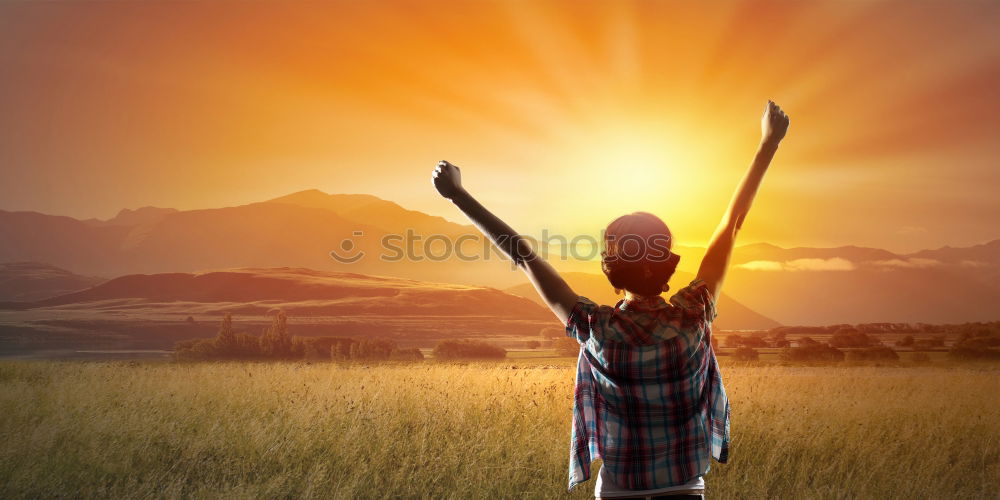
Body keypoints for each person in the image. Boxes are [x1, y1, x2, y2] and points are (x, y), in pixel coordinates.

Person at [432, 100, 790, 499]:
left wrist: (457, 196)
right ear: (665, 263)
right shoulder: (694, 315)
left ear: (612, 269)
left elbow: (522, 254)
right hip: (685, 485)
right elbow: (733, 222)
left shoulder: (596, 328)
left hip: (621, 488)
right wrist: (768, 144)